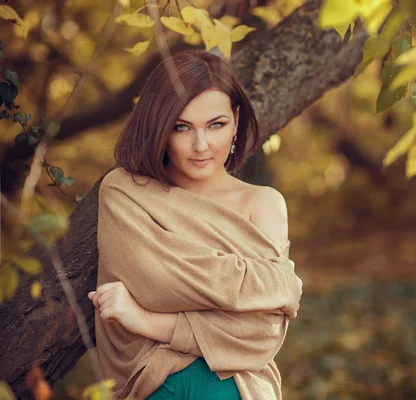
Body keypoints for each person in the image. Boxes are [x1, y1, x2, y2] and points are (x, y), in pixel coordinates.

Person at [87, 50, 303, 400]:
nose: (200, 146)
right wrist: (274, 284)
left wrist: (146, 319)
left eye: (215, 125)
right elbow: (156, 284)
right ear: (160, 128)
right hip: (149, 381)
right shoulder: (125, 191)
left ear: (235, 121)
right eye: (181, 127)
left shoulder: (263, 203)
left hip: (236, 384)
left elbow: (263, 330)